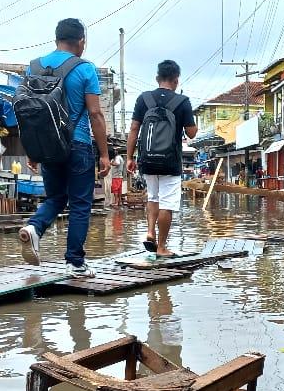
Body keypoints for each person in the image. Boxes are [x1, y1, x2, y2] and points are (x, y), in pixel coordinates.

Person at [18, 18, 110, 277]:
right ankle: (75, 262)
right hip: (78, 144)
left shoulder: (34, 67)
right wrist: (104, 154)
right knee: (80, 204)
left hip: (47, 146)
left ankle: (35, 227)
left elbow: (28, 113)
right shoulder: (85, 69)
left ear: (56, 39)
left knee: (56, 198)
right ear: (81, 41)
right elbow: (95, 114)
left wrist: (32, 150)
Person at [127, 59, 197, 257]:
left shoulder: (144, 99)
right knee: (167, 203)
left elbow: (134, 128)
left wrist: (130, 157)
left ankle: (150, 232)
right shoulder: (182, 102)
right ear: (176, 80)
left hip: (147, 159)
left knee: (153, 197)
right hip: (170, 161)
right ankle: (162, 247)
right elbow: (192, 133)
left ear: (157, 78)